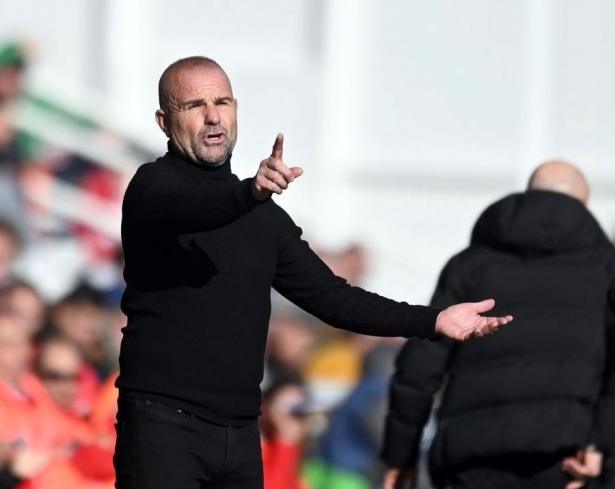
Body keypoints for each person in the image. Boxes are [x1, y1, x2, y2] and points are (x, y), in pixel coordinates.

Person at [115, 55, 512, 489]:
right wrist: (249, 192)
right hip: (162, 429)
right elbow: (195, 207)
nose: (213, 116)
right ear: (164, 121)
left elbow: (334, 298)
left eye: (222, 102)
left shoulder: (263, 219)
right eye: (194, 105)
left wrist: (433, 319)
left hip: (242, 435)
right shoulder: (153, 188)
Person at [382, 161, 615, 489]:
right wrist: (600, 446)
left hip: (471, 458)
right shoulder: (606, 268)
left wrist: (399, 456)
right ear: (585, 204)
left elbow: (419, 367)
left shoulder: (468, 266)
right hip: (566, 461)